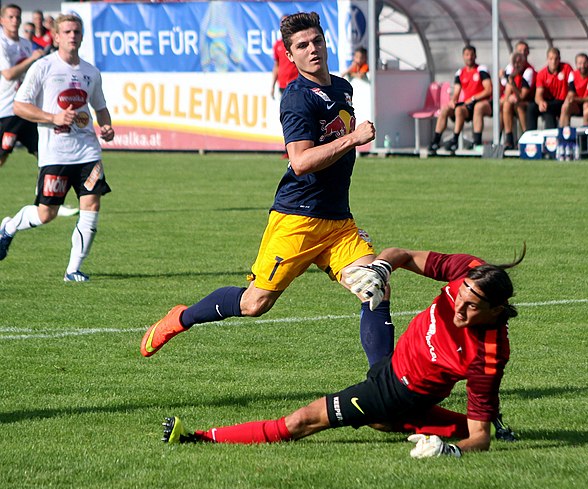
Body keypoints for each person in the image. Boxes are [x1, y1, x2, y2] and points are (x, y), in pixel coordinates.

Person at [139, 12, 394, 372]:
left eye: (316, 41)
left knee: (376, 287)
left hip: (338, 222)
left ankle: (385, 386)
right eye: (302, 46)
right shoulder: (297, 99)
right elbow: (301, 161)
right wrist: (353, 139)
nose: (312, 49)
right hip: (298, 219)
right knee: (254, 303)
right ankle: (181, 317)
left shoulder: (342, 88)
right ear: (290, 56)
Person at [161, 245, 524, 458]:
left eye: (472, 307)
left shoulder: (488, 354)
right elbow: (403, 255)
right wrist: (381, 267)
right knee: (380, 420)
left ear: (495, 310)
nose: (459, 310)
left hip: (397, 392)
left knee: (302, 421)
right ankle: (455, 422)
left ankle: (199, 437)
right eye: (459, 298)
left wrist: (452, 451)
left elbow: (480, 441)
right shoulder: (470, 271)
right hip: (392, 365)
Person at [0, 13, 114, 278]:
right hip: (55, 153)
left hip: (87, 151)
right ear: (56, 36)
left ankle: (73, 270)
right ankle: (9, 227)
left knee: (92, 205)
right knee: (46, 214)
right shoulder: (43, 67)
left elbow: (100, 106)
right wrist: (54, 118)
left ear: (82, 36)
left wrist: (106, 126)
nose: (72, 36)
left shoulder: (90, 72)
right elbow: (19, 106)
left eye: (76, 31)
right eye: (67, 32)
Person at [0, 4, 44, 167]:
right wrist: (32, 59)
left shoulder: (25, 44)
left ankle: (43, 190)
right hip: (7, 110)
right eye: (10, 17)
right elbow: (9, 74)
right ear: (2, 20)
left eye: (17, 17)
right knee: (2, 155)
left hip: (26, 108)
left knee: (44, 152)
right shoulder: (2, 44)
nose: (15, 21)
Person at [428, 45, 492, 153]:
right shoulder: (460, 73)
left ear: (475, 56)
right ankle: (435, 141)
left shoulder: (481, 69)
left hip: (481, 103)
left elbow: (489, 89)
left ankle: (472, 142)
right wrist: (453, 101)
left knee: (477, 107)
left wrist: (473, 98)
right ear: (463, 56)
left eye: (471, 55)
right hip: (467, 105)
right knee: (445, 109)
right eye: (467, 55)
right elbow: (457, 92)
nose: (469, 57)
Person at [531, 47, 572, 130]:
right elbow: (538, 94)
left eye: (556, 59)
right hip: (549, 101)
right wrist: (540, 102)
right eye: (551, 59)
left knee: (552, 108)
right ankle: (529, 135)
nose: (553, 61)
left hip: (562, 101)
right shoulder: (542, 74)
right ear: (547, 59)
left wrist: (567, 101)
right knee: (531, 108)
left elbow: (572, 89)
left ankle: (558, 135)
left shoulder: (566, 68)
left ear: (559, 59)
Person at [500, 51, 532, 149]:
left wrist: (512, 85)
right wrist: (508, 97)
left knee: (519, 106)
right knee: (505, 105)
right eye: (515, 63)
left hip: (529, 102)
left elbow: (522, 96)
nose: (517, 65)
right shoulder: (512, 73)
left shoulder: (528, 72)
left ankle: (526, 137)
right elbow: (507, 94)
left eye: (519, 62)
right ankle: (508, 138)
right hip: (516, 102)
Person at [270, 19, 299, 98]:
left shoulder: (297, 42)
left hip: (296, 83)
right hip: (282, 85)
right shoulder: (277, 44)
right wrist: (273, 86)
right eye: (283, 24)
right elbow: (276, 65)